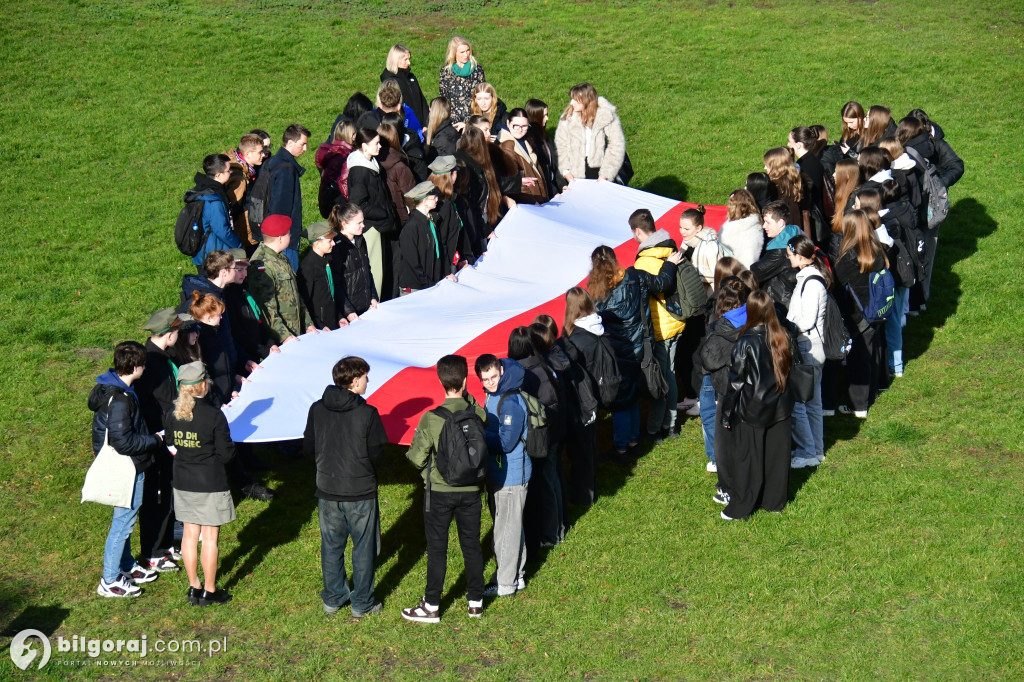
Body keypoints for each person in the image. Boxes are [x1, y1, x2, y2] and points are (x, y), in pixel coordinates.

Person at [402, 355, 487, 623]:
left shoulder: (431, 419)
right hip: (472, 490)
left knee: (437, 547)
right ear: (465, 381)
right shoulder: (478, 413)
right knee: (471, 545)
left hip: (439, 492)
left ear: (440, 381)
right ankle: (476, 601)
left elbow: (416, 458)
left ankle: (432, 605)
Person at [306, 356, 388, 618]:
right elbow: (377, 453)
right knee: (363, 547)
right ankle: (361, 603)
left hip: (327, 489)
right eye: (365, 376)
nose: (368, 381)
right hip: (360, 491)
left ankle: (333, 598)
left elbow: (308, 447)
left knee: (331, 545)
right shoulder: (368, 413)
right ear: (354, 381)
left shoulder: (317, 409)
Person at [587, 245, 682, 460]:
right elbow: (662, 283)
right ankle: (633, 440)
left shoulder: (596, 293)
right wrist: (669, 265)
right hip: (641, 346)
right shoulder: (634, 275)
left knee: (622, 400)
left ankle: (622, 447)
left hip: (617, 352)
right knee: (631, 395)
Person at [90, 341, 163, 598]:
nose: (145, 368)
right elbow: (123, 441)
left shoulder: (114, 389)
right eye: (143, 364)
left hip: (128, 466)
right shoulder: (121, 399)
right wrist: (155, 440)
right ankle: (109, 580)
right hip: (128, 468)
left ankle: (126, 565)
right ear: (134, 367)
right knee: (123, 523)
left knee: (124, 520)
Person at [719, 291, 796, 520]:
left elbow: (735, 385)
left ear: (750, 311)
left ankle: (741, 507)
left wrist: (726, 414)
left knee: (747, 460)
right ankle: (774, 501)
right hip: (781, 405)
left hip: (752, 409)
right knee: (776, 457)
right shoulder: (784, 336)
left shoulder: (744, 342)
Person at [165, 362, 236, 606]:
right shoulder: (215, 415)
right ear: (204, 385)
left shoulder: (172, 413)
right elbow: (227, 454)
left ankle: (193, 585)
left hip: (183, 480)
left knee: (188, 534)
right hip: (210, 481)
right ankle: (209, 590)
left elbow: (171, 443)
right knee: (209, 538)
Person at [475, 354, 530, 598]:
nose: (490, 382)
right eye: (485, 379)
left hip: (511, 475)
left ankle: (505, 584)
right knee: (512, 526)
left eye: (494, 376)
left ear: (500, 370)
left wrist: (478, 436)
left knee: (505, 530)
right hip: (502, 473)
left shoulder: (509, 401)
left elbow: (507, 442)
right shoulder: (497, 394)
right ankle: (516, 576)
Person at [133, 309, 183, 574]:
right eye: (178, 331)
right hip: (159, 439)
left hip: (168, 435)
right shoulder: (152, 362)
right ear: (168, 333)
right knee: (157, 495)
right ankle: (152, 551)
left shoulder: (164, 356)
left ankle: (165, 542)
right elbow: (154, 405)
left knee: (170, 491)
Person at [629, 208, 685, 441]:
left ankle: (660, 427)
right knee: (670, 373)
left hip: (661, 326)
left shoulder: (644, 262)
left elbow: (656, 286)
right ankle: (669, 424)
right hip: (677, 320)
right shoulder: (671, 246)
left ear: (638, 231)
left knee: (662, 379)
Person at [507, 326, 565, 550]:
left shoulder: (522, 375)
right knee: (553, 479)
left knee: (544, 484)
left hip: (542, 435)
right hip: (555, 430)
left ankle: (551, 534)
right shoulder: (545, 363)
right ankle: (558, 527)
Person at [699, 277, 751, 501]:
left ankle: (728, 487)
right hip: (750, 387)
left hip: (725, 389)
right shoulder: (755, 320)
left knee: (724, 439)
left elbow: (709, 360)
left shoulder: (719, 329)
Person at [833, 209, 888, 418]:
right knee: (870, 355)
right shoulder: (876, 249)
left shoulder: (850, 257)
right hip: (877, 311)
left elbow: (836, 283)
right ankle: (871, 394)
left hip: (858, 315)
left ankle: (858, 406)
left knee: (859, 359)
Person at [559, 287, 608, 506]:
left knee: (580, 451)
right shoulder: (597, 326)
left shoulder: (576, 338)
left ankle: (584, 495)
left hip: (582, 397)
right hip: (596, 392)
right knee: (588, 446)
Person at [785, 234, 829, 469]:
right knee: (812, 403)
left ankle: (807, 451)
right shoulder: (807, 278)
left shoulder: (811, 283)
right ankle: (816, 450)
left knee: (799, 403)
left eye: (790, 255)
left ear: (801, 257)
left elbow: (808, 320)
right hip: (811, 348)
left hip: (807, 349)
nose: (787, 258)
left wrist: (788, 323)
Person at [247, 214, 317, 344]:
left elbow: (295, 294)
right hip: (281, 340)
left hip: (296, 331)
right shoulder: (261, 265)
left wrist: (308, 324)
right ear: (280, 238)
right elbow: (267, 308)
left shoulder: (280, 257)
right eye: (288, 233)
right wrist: (285, 337)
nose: (290, 236)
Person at [346, 128, 399, 299]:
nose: (379, 146)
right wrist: (383, 212)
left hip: (378, 225)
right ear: (364, 146)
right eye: (376, 143)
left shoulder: (371, 165)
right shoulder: (361, 171)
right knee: (376, 272)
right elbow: (358, 203)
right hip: (372, 227)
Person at [554, 82, 626, 183]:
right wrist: (566, 171)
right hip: (574, 172)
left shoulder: (607, 116)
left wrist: (606, 174)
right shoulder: (568, 117)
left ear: (586, 101)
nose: (571, 103)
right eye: (572, 99)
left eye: (576, 100)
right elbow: (560, 144)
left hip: (600, 170)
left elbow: (617, 145)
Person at [263, 124, 310, 271]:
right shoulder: (286, 170)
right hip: (284, 239)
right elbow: (280, 208)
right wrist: (285, 238)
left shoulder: (274, 161)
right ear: (290, 143)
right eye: (302, 144)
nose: (305, 149)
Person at [399, 182, 458, 295]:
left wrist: (446, 273)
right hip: (416, 288)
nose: (437, 199)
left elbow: (440, 248)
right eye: (434, 197)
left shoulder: (431, 221)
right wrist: (428, 284)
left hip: (431, 284)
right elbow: (412, 262)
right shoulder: (411, 227)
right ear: (425, 200)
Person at [184, 153, 241, 272]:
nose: (231, 172)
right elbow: (221, 230)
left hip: (206, 253)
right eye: (228, 170)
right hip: (214, 257)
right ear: (218, 175)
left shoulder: (204, 190)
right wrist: (238, 244)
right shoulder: (214, 200)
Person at [328, 203, 380, 321]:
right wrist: (348, 311)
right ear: (345, 224)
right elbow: (336, 283)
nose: (363, 225)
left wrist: (373, 296)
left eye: (363, 221)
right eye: (359, 223)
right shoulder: (336, 246)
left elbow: (367, 271)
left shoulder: (360, 240)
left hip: (366, 306)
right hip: (351, 312)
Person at [750, 200, 801, 309]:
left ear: (781, 223)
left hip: (781, 304)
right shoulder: (794, 235)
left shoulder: (780, 250)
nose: (764, 226)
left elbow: (756, 272)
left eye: (768, 222)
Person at [428, 155, 476, 270]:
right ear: (450, 176)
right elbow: (443, 240)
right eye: (455, 172)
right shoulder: (443, 206)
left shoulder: (447, 200)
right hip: (445, 266)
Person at [223, 133, 266, 253]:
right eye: (260, 152)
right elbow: (236, 210)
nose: (263, 155)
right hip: (244, 234)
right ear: (247, 154)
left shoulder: (245, 170)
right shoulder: (239, 178)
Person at [298, 221, 345, 330]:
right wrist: (319, 325)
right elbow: (305, 301)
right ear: (317, 243)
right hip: (320, 328)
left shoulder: (328, 260)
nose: (333, 244)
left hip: (333, 323)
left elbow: (331, 296)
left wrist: (339, 317)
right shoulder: (308, 267)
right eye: (330, 241)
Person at [498, 108, 547, 204]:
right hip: (528, 204)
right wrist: (533, 202)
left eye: (524, 126)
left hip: (539, 199)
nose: (520, 130)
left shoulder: (526, 141)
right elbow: (515, 182)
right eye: (516, 126)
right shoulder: (506, 146)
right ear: (508, 123)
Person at [788, 126, 828, 246]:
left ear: (799, 145)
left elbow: (806, 197)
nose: (788, 144)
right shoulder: (813, 160)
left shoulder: (803, 168)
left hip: (812, 221)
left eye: (790, 141)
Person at [377, 121, 417, 227]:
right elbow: (411, 195)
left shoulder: (373, 162)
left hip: (383, 217)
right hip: (402, 218)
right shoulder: (400, 166)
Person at [438, 35, 486, 125]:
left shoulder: (477, 70)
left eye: (468, 51)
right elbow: (444, 98)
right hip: (454, 120)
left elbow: (482, 94)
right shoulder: (446, 72)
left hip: (474, 118)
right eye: (462, 52)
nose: (466, 54)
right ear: (454, 53)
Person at [381, 44, 429, 132]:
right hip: (405, 127)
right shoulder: (390, 81)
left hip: (421, 126)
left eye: (409, 59)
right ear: (396, 60)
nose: (409, 63)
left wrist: (426, 123)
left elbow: (422, 101)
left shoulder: (411, 77)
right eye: (405, 59)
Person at [524, 98, 565, 198]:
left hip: (553, 186)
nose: (547, 119)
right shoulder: (531, 140)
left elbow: (554, 166)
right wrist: (555, 192)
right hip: (544, 191)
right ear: (535, 117)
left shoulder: (545, 136)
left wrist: (563, 185)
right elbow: (542, 172)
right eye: (544, 116)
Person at [315, 119, 355, 219]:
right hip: (341, 200)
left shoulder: (330, 152)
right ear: (352, 135)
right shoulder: (346, 155)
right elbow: (344, 181)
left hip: (327, 198)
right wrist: (352, 207)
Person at [679, 204, 723, 292]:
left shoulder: (710, 244)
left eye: (687, 229)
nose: (682, 232)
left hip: (706, 294)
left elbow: (718, 275)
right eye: (680, 227)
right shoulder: (687, 241)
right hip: (690, 291)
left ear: (698, 228)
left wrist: (693, 275)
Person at [764, 147, 805, 236]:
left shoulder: (774, 186)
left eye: (767, 166)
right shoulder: (795, 179)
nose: (765, 168)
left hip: (783, 230)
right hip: (796, 226)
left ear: (776, 167)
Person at [718, 188, 764, 268]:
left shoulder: (729, 229)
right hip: (748, 272)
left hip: (734, 272)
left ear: (733, 207)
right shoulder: (755, 225)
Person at [821, 100, 866, 174]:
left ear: (860, 117)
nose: (848, 125)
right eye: (846, 122)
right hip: (843, 165)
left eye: (851, 122)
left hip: (856, 171)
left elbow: (867, 161)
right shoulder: (848, 132)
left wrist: (849, 152)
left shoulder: (868, 135)